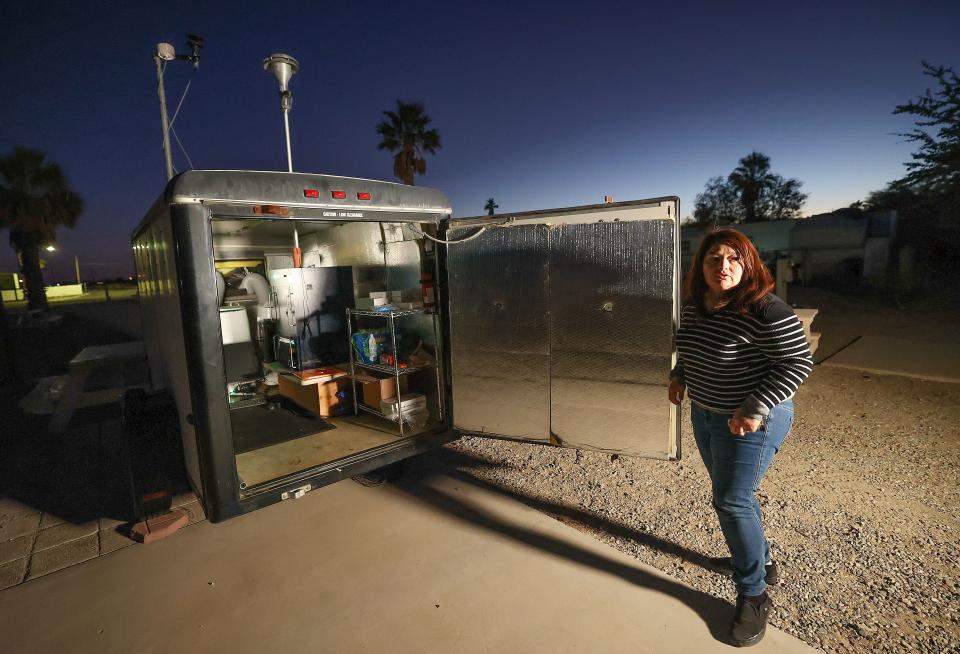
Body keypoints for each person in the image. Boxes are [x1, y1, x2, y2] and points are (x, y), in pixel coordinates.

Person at [668, 228, 812, 647]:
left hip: (754, 419)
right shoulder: (697, 304)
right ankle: (761, 561)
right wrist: (680, 376)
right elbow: (689, 344)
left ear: (748, 263)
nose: (723, 267)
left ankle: (754, 594)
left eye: (734, 258)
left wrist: (754, 406)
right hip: (707, 413)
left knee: (730, 500)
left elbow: (798, 363)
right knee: (736, 497)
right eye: (714, 258)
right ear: (702, 265)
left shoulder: (766, 309)